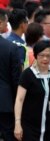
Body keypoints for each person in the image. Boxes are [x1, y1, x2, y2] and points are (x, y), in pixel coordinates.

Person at [14, 40, 50, 141]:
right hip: (30, 124)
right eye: (41, 55)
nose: (45, 58)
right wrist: (17, 123)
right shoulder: (27, 74)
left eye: (48, 55)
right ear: (36, 55)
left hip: (49, 123)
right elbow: (19, 99)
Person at [0, 10, 21, 141]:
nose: (7, 26)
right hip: (5, 101)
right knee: (9, 134)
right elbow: (16, 79)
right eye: (6, 23)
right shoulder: (10, 47)